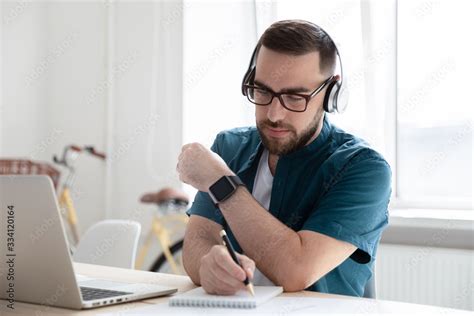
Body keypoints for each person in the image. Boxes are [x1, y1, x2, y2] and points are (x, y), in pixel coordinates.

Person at [176, 19, 391, 297]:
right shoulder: (229, 147)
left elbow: (295, 270)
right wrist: (206, 266)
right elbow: (198, 240)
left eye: (294, 97)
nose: (275, 114)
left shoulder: (362, 168)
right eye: (263, 91)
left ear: (331, 93)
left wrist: (221, 182)